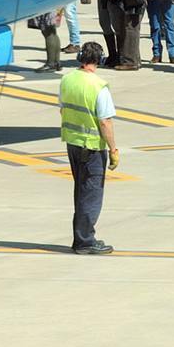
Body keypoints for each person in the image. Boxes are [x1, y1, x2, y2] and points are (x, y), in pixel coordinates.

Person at [59, 42, 118, 254]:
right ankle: (85, 241)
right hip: (91, 147)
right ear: (99, 60)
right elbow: (105, 122)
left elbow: (62, 109)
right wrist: (113, 149)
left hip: (72, 143)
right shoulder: (98, 86)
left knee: (80, 191)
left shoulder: (67, 79)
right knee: (91, 193)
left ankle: (81, 237)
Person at [38, 7, 65, 71]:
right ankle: (56, 62)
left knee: (48, 30)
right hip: (57, 3)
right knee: (52, 31)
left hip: (48, 5)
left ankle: (51, 63)